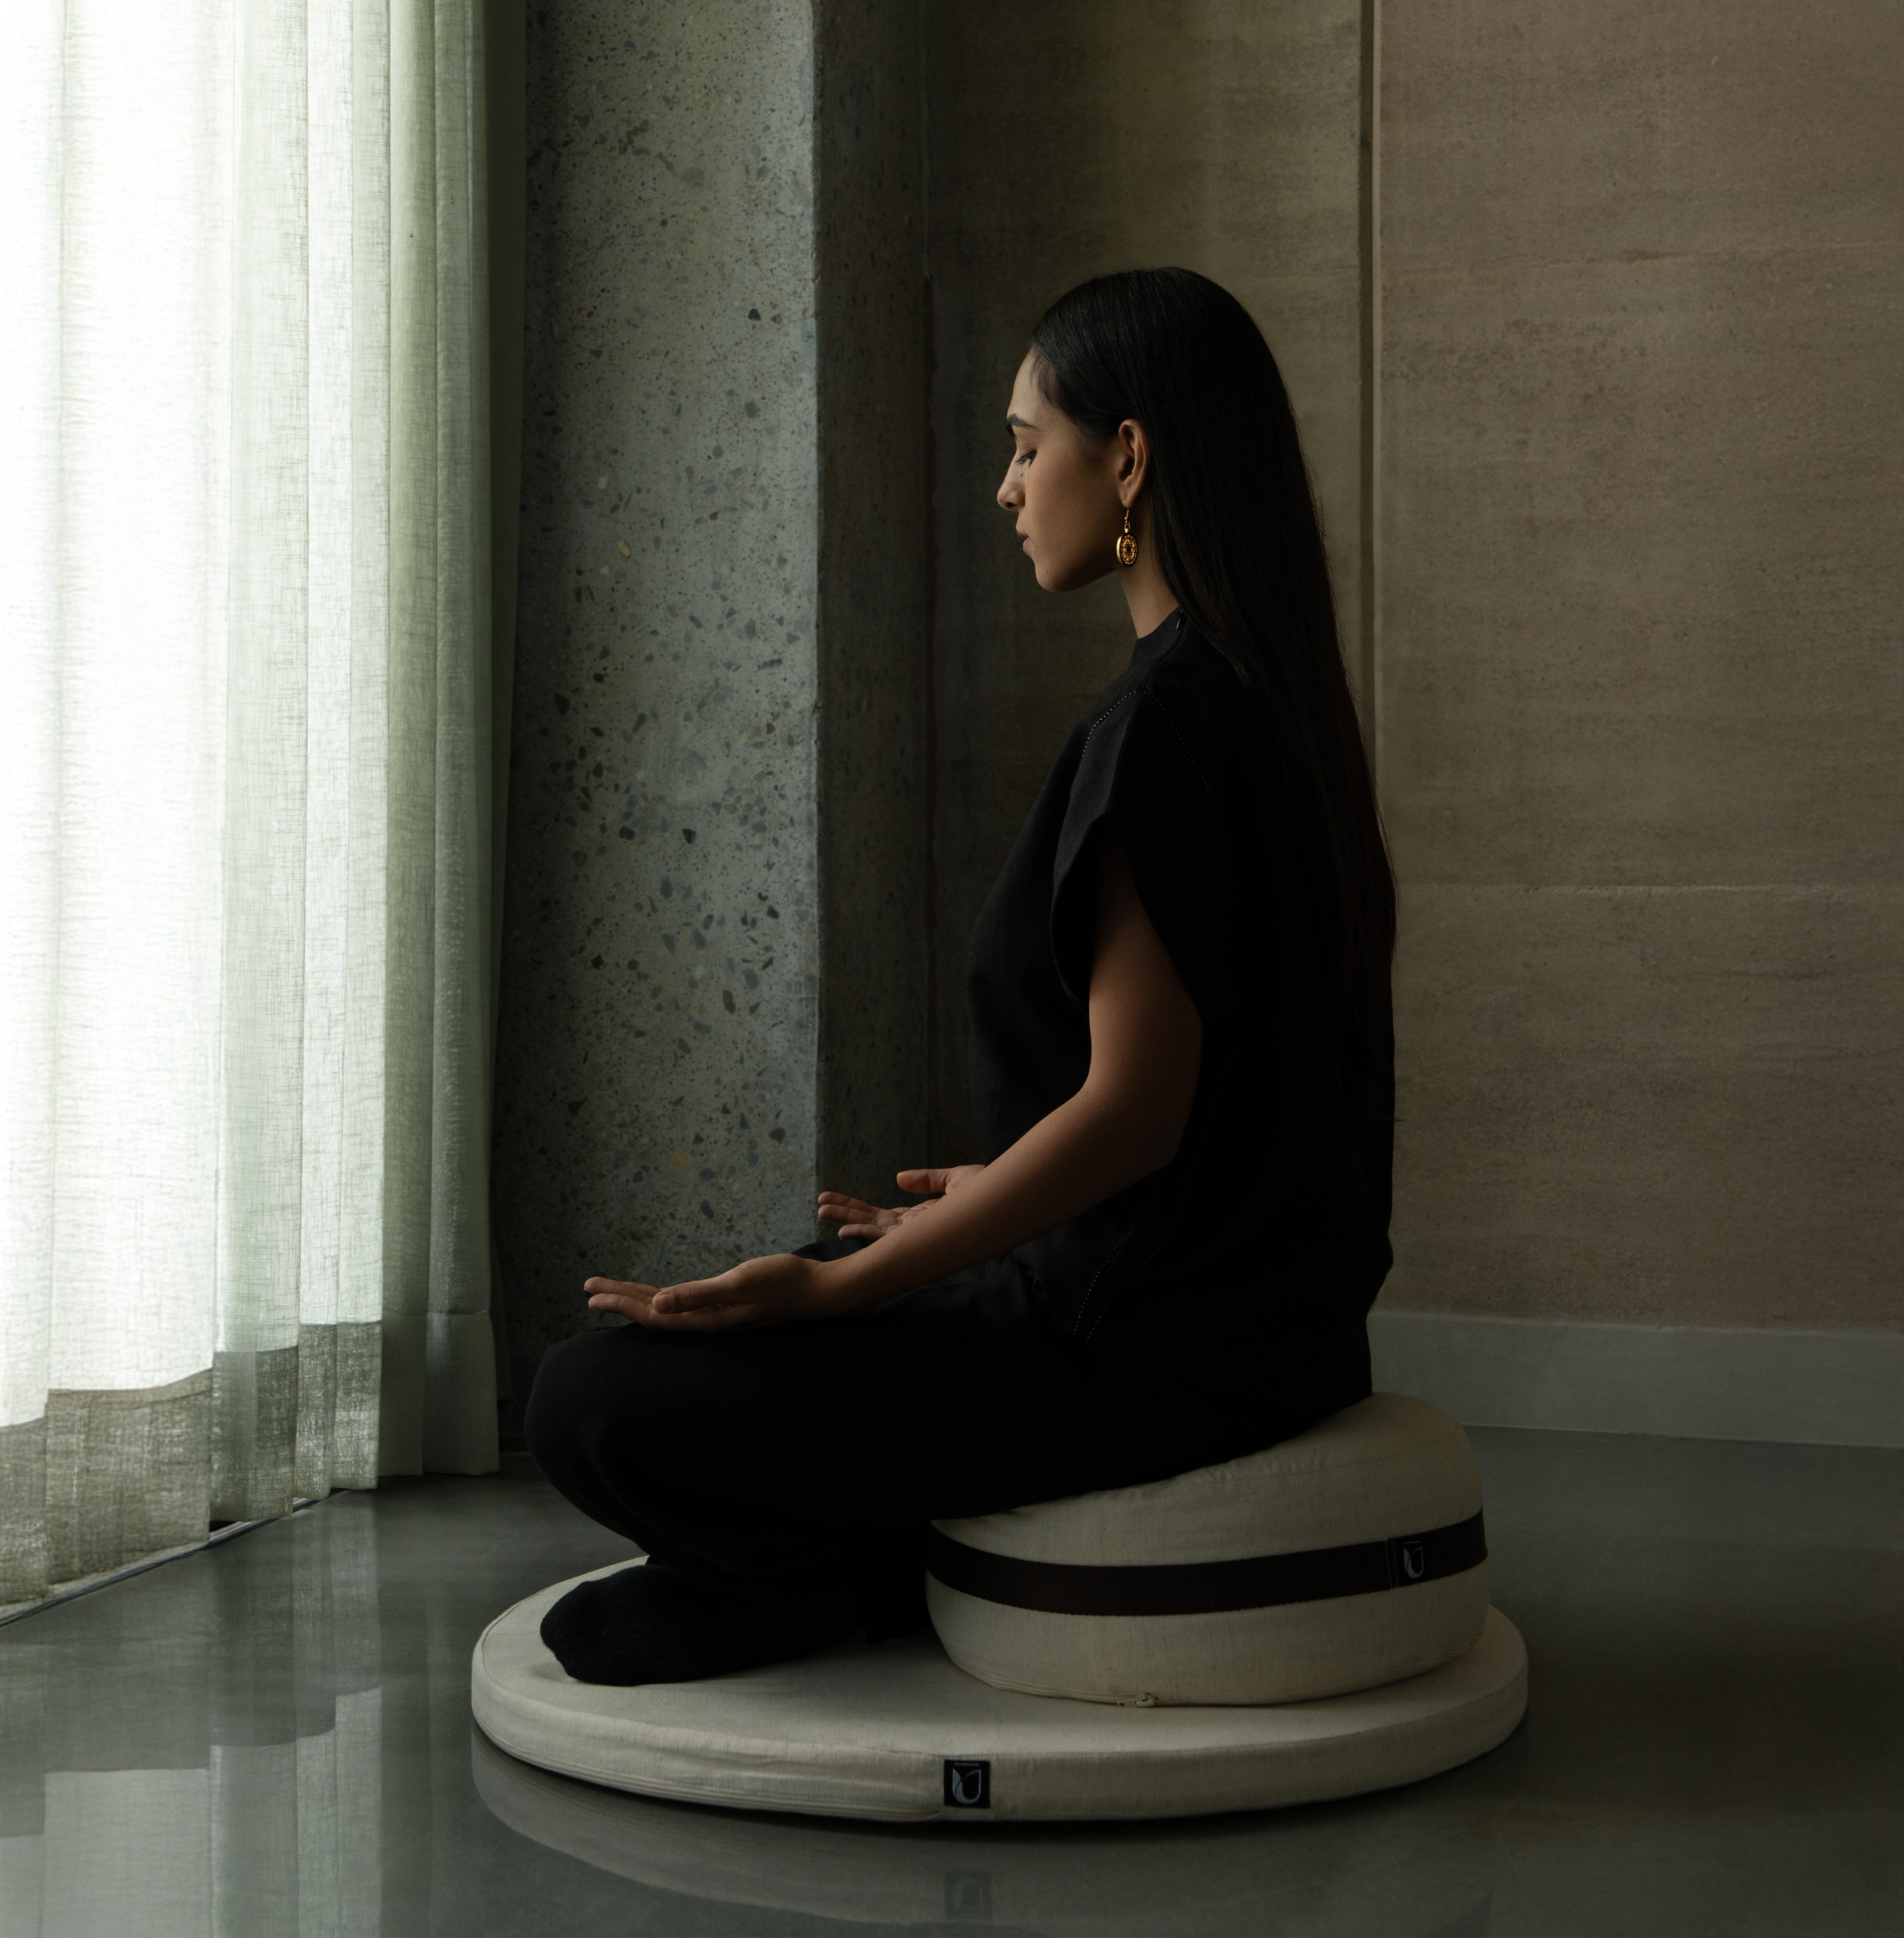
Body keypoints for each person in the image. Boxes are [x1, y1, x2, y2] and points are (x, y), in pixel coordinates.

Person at [523, 267, 1397, 1685]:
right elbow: (1237, 1114)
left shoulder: (1164, 726)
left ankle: (836, 1575)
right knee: (777, 1299)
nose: (1006, 486)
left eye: (1024, 441)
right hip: (1268, 1332)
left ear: (1126, 459)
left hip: (1137, 1345)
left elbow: (1138, 1115)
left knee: (590, 1399)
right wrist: (990, 1202)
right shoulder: (1274, 709)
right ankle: (844, 1537)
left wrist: (841, 1298)